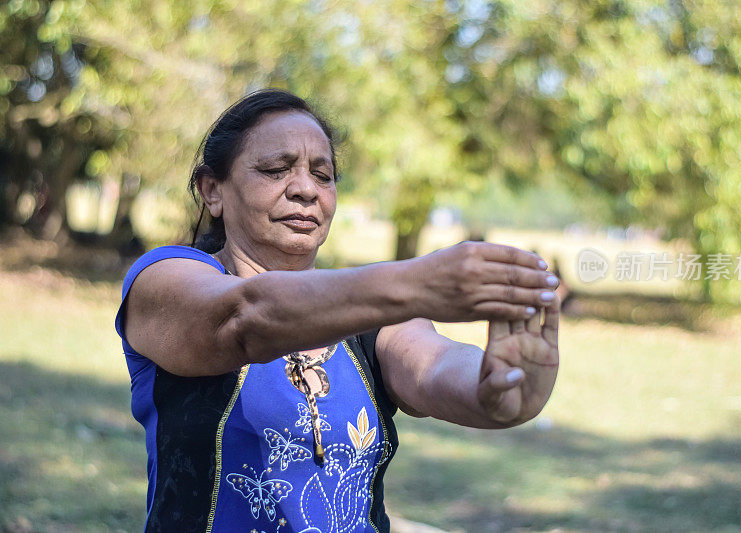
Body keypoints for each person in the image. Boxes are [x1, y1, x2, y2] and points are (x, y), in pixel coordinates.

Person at [115, 89, 561, 533]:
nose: (306, 189)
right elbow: (243, 319)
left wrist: (498, 385)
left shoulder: (371, 312)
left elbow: (435, 365)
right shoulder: (165, 279)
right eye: (276, 169)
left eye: (323, 176)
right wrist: (421, 281)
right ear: (213, 190)